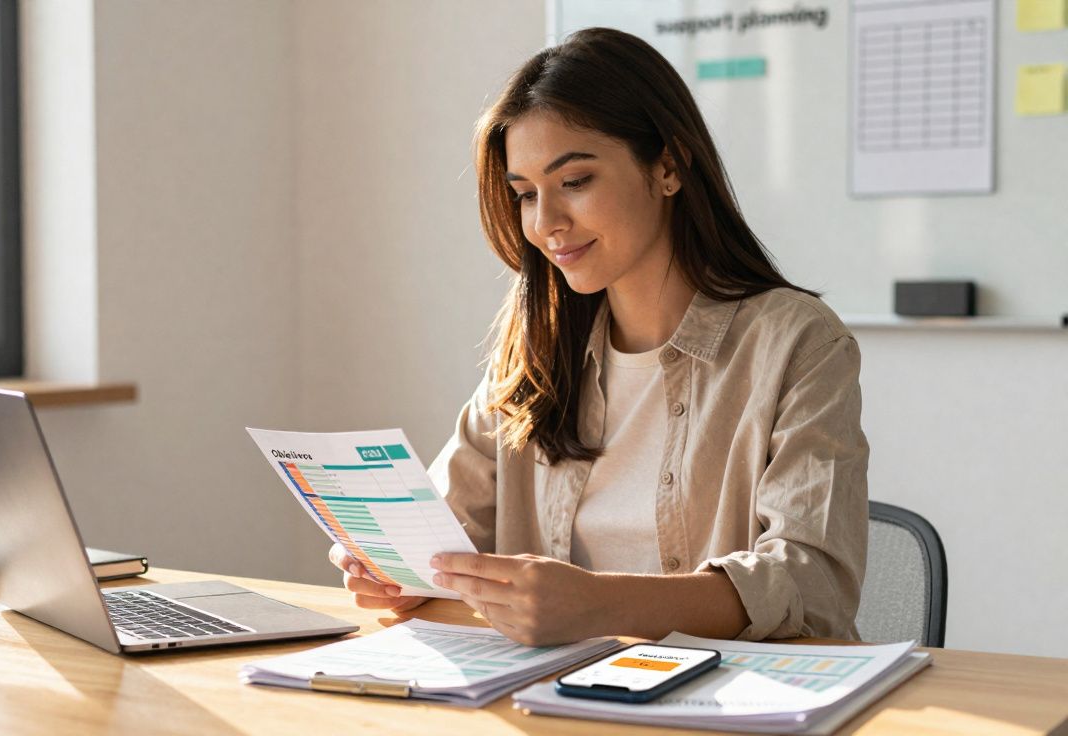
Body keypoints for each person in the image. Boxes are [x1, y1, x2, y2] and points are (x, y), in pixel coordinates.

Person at [328, 27, 869, 646]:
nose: (546, 223)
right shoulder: (534, 350)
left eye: (575, 181)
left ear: (668, 166)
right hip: (556, 688)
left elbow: (812, 582)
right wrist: (396, 572)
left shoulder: (797, 343)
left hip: (731, 690)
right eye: (525, 194)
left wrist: (599, 605)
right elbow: (444, 533)